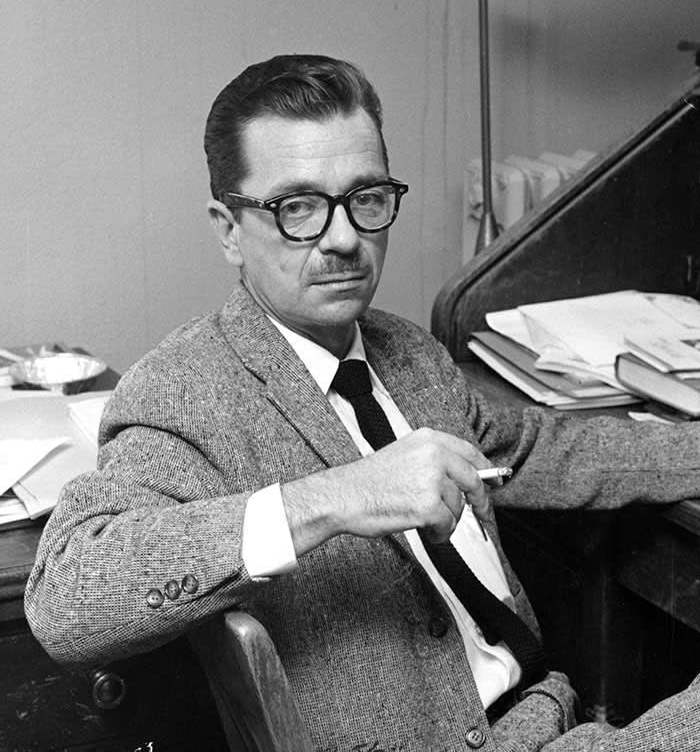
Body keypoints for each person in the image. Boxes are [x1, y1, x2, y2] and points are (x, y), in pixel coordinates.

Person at [25, 54, 700, 752]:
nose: (345, 238)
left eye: (366, 198)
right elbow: (66, 600)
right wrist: (337, 497)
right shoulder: (188, 393)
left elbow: (523, 450)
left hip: (541, 714)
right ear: (228, 229)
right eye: (297, 208)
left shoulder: (403, 350)